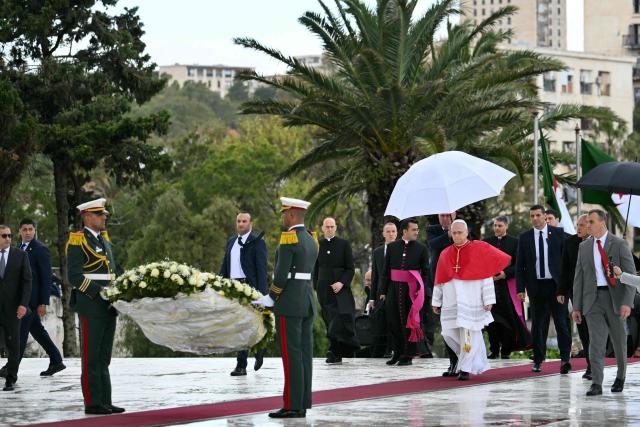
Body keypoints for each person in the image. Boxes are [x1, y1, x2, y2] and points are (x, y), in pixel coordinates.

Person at [253, 197, 318, 419]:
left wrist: (270, 297)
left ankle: (291, 405)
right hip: (307, 300)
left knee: (291, 356)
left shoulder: (289, 238)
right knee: (304, 355)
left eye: (284, 214)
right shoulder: (311, 239)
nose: (282, 218)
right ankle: (302, 404)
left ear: (291, 215)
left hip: (289, 302)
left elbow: (281, 274)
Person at [66, 198, 124, 415]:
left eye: (104, 215)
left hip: (109, 305)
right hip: (91, 305)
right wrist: (98, 293)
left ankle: (105, 400)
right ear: (87, 217)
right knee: (91, 357)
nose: (104, 218)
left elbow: (112, 271)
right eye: (100, 215)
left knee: (103, 357)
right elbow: (73, 275)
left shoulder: (104, 240)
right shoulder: (78, 240)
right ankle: (92, 403)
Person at [433, 220, 510, 380]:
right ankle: (465, 362)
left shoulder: (478, 249)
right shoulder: (445, 253)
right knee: (448, 333)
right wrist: (436, 301)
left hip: (472, 301)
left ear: (466, 232)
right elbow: (439, 280)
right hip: (451, 302)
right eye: (454, 233)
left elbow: (486, 277)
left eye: (460, 232)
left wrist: (488, 300)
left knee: (468, 336)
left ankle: (465, 368)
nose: (457, 235)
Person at [572, 209, 636, 396]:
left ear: (602, 223)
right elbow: (579, 277)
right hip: (592, 300)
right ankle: (597, 383)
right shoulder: (584, 247)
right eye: (587, 222)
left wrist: (627, 302)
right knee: (596, 343)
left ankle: (620, 377)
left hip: (614, 299)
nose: (587, 225)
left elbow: (630, 276)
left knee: (618, 341)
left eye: (591, 222)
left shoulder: (619, 244)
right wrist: (577, 306)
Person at [0, 219, 65, 379]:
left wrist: (43, 302)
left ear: (35, 231)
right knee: (37, 331)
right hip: (21, 300)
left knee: (19, 335)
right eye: (24, 229)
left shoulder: (40, 249)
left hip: (33, 301)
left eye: (31, 229)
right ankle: (56, 360)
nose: (28, 232)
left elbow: (46, 278)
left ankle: (10, 367)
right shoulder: (16, 249)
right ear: (20, 231)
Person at [516, 204, 570, 374]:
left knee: (561, 323)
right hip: (536, 287)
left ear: (544, 216)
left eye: (538, 215)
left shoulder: (558, 235)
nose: (534, 218)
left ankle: (565, 359)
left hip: (556, 287)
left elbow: (566, 264)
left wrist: (564, 288)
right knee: (538, 325)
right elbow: (520, 266)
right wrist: (520, 289)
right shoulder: (524, 238)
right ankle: (538, 360)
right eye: (532, 216)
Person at [219, 212, 268, 376]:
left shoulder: (257, 243)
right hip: (234, 288)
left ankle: (252, 355)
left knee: (248, 326)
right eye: (238, 221)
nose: (241, 224)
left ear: (250, 224)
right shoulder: (231, 242)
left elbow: (262, 272)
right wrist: (218, 285)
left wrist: (263, 295)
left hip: (250, 288)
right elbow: (225, 266)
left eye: (244, 221)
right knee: (239, 326)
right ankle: (246, 360)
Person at [380, 218, 429, 366]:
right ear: (405, 231)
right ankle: (397, 353)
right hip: (393, 290)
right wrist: (383, 291)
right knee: (393, 322)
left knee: (410, 324)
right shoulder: (393, 247)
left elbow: (426, 273)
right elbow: (386, 271)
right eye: (414, 229)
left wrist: (421, 290)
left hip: (412, 290)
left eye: (417, 229)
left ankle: (408, 355)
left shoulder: (421, 248)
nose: (417, 232)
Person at [483, 216, 530, 359]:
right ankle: (494, 349)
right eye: (495, 225)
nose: (497, 228)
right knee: (491, 321)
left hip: (507, 288)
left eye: (500, 226)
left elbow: (519, 264)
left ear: (506, 227)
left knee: (507, 321)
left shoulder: (515, 242)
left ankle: (506, 350)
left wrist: (505, 273)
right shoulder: (487, 242)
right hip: (490, 288)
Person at [313, 217, 358, 364]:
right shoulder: (317, 244)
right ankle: (334, 351)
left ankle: (339, 349)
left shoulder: (344, 244)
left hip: (341, 288)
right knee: (329, 319)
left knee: (340, 318)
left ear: (336, 228)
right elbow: (315, 268)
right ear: (322, 228)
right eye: (327, 227)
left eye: (332, 226)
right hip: (323, 289)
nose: (329, 229)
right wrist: (315, 287)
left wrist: (341, 283)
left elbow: (350, 269)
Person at [557, 214, 592, 379]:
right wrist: (561, 291)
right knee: (583, 328)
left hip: (595, 293)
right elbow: (564, 269)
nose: (578, 228)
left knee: (594, 330)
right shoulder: (569, 243)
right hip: (575, 292)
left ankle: (595, 364)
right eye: (577, 225)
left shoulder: (598, 243)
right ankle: (590, 366)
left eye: (582, 225)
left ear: (590, 226)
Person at [427, 212, 460, 375]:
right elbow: (433, 245)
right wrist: (448, 234)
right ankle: (452, 362)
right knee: (446, 326)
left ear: (454, 215)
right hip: (440, 283)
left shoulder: (461, 228)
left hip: (459, 283)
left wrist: (455, 232)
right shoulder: (433, 229)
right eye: (442, 215)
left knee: (461, 325)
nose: (445, 218)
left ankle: (463, 361)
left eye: (448, 215)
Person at [0, 225, 32, 391]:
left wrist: (23, 305)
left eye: (10, 235)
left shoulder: (20, 255)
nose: (7, 238)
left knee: (13, 343)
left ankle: (10, 379)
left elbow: (27, 282)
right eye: (4, 236)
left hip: (14, 309)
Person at [368, 222, 397, 357]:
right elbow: (375, 277)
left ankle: (394, 349)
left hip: (397, 292)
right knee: (382, 322)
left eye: (393, 231)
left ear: (397, 233)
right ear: (383, 234)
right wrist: (372, 298)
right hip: (380, 294)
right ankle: (383, 351)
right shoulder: (377, 252)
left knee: (395, 321)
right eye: (388, 231)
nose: (391, 234)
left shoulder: (401, 249)